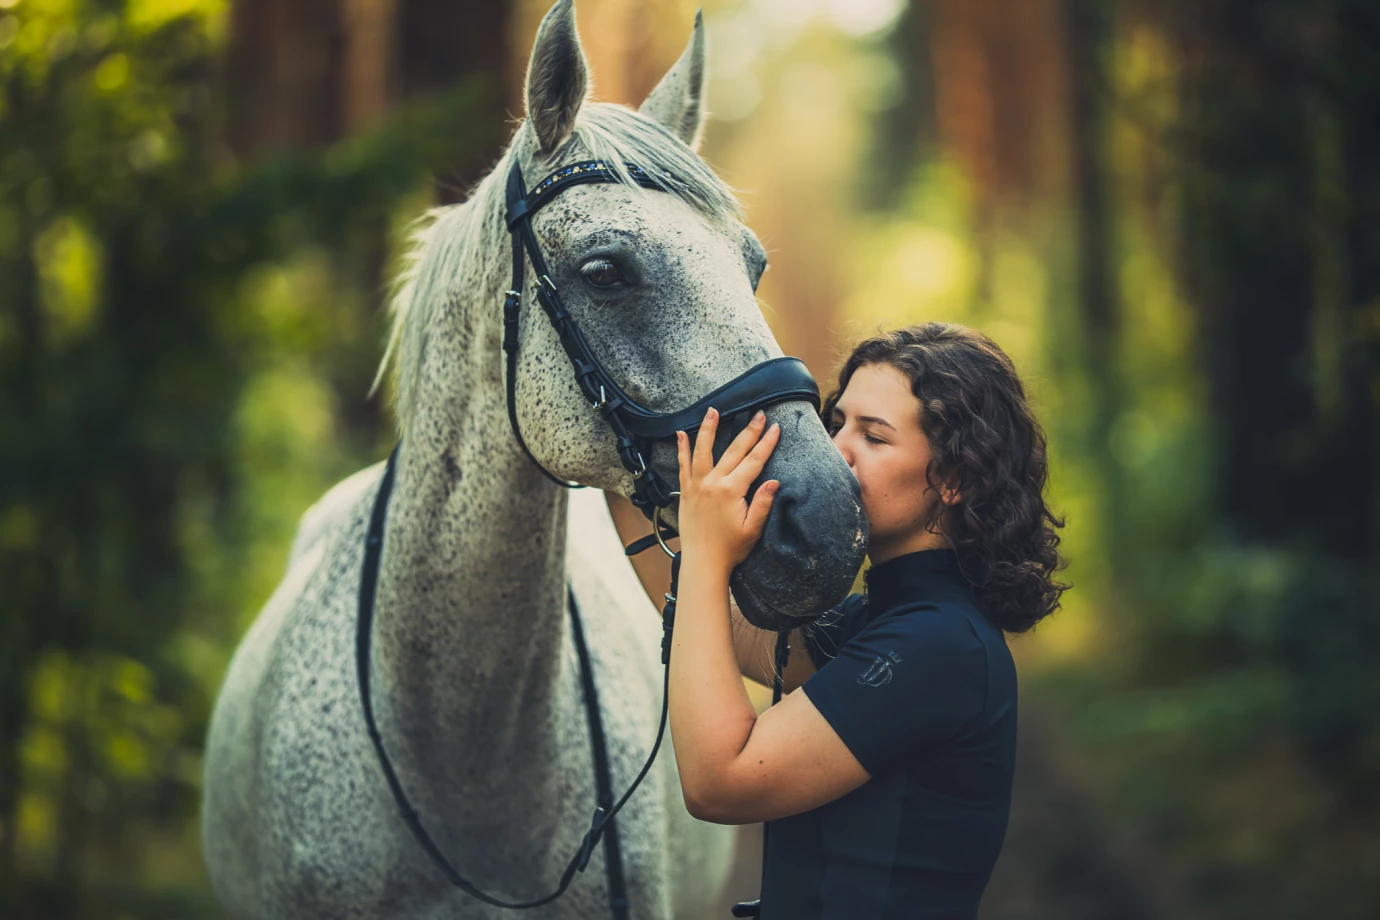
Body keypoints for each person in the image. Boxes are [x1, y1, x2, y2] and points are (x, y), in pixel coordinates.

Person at [605, 322, 1069, 919]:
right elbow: (740, 640)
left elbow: (718, 781)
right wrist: (625, 476)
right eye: (836, 424)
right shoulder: (892, 619)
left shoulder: (937, 645)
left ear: (954, 479)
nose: (836, 449)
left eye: (873, 437)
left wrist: (707, 555)